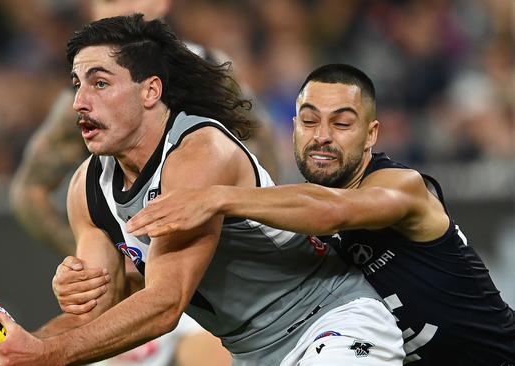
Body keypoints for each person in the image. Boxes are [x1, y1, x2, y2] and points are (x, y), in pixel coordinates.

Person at [0, 15, 404, 366]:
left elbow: (165, 304)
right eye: (77, 84)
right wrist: (20, 346)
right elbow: (99, 311)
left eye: (100, 82)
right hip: (252, 351)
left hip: (330, 322)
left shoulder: (198, 151)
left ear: (151, 91)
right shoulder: (86, 189)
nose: (79, 101)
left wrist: (46, 356)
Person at [125, 63, 515, 365]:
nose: (322, 136)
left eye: (342, 123)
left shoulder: (402, 186)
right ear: (293, 128)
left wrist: (216, 197)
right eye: (309, 122)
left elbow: (333, 210)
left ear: (371, 133)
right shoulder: (290, 211)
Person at [9, 0, 280, 257]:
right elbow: (29, 192)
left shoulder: (209, 66)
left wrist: (258, 218)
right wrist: (101, 261)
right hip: (151, 257)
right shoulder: (79, 102)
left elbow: (259, 143)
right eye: (106, 0)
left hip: (226, 258)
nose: (118, 9)